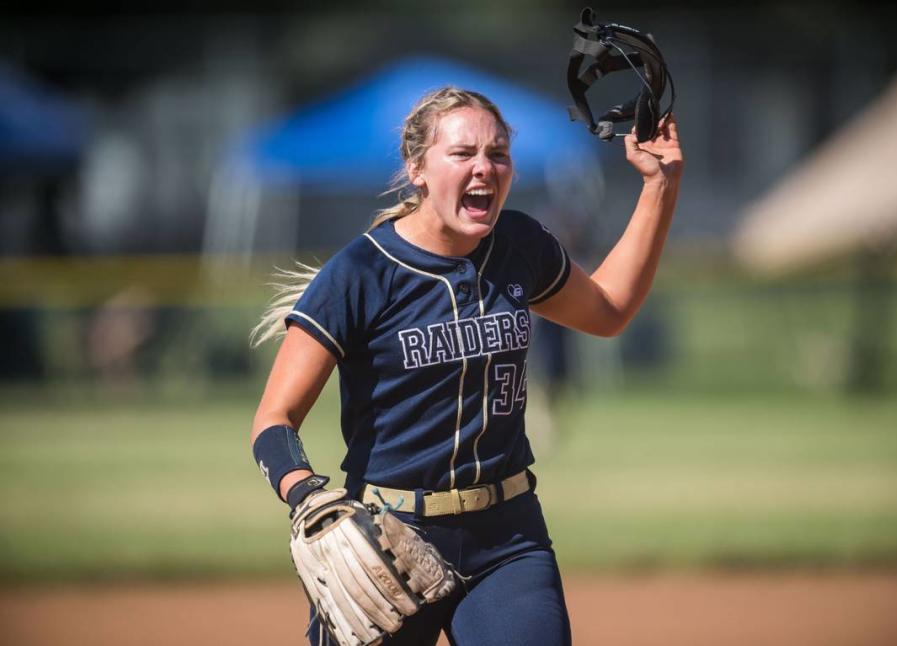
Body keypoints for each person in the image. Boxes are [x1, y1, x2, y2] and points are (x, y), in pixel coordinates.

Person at [249, 86, 682, 646]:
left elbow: (610, 309)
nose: (485, 167)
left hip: (508, 541)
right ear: (418, 169)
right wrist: (306, 494)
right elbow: (273, 419)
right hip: (389, 542)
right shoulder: (361, 271)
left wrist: (660, 185)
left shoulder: (519, 245)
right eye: (463, 154)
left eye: (498, 154)